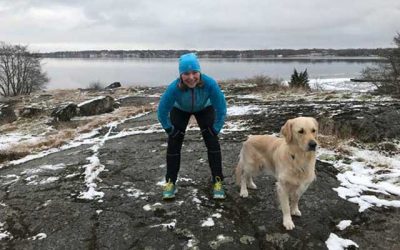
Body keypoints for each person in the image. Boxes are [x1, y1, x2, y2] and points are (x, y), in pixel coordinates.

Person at [157, 53, 227, 200]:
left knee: (212, 141)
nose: (191, 77)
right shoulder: (174, 88)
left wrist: (217, 127)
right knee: (174, 143)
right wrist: (169, 129)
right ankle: (170, 182)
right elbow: (162, 111)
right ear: (181, 75)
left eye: (194, 72)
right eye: (186, 73)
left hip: (204, 109)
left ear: (199, 72)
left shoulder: (210, 84)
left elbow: (221, 108)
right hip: (180, 110)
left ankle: (218, 181)